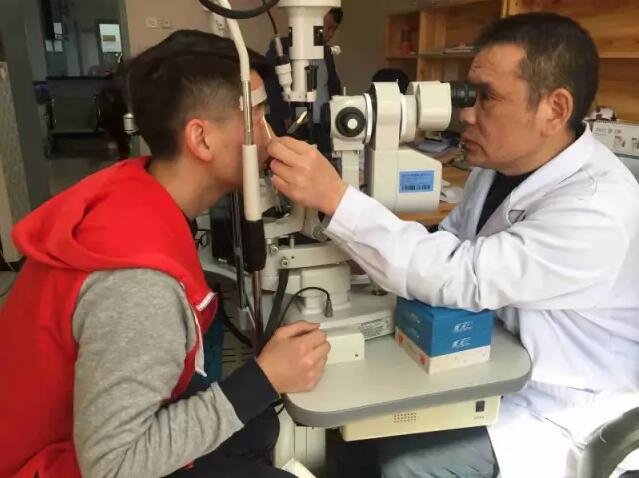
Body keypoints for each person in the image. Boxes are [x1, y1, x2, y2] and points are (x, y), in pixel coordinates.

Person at [266, 12, 639, 478]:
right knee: (356, 426)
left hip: (559, 403)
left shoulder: (597, 209)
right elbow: (449, 242)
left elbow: (461, 274)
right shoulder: (500, 166)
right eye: (468, 94)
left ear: (555, 109)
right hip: (489, 358)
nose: (466, 113)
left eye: (487, 97)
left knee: (407, 463)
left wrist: (337, 200)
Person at [0, 30, 330, 478]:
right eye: (257, 114)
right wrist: (264, 378)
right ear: (202, 139)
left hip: (77, 431)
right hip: (67, 465)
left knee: (257, 429)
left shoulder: (134, 189)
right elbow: (113, 466)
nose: (270, 136)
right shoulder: (139, 282)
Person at [264, 7, 343, 157]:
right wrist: (285, 114)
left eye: (334, 29)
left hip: (322, 126)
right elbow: (270, 85)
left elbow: (333, 86)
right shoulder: (280, 50)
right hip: (291, 125)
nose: (331, 34)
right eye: (328, 27)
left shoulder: (327, 54)